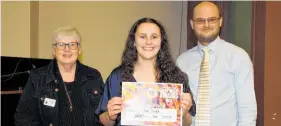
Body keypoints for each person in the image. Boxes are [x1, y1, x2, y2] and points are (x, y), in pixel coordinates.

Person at [95, 17, 196, 126]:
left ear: (161, 41)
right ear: (134, 41)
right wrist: (110, 115)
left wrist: (184, 113)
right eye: (142, 37)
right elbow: (103, 120)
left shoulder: (176, 77)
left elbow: (187, 123)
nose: (148, 42)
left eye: (154, 37)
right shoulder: (117, 76)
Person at [176, 2, 257, 126]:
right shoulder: (182, 61)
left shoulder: (239, 57)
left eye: (212, 20)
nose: (206, 25)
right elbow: (180, 109)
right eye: (200, 20)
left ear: (220, 21)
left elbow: (247, 110)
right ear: (192, 24)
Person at [14, 26, 104, 126]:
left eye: (72, 44)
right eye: (61, 45)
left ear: (79, 50)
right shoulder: (38, 78)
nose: (67, 49)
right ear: (53, 50)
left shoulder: (93, 76)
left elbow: (103, 116)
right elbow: (22, 118)